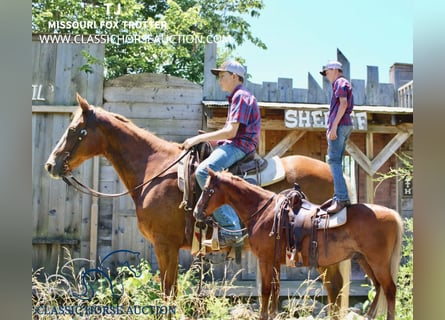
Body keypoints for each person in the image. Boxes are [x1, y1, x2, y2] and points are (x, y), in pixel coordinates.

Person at [182, 60, 261, 247]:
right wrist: (212, 141)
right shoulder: (237, 97)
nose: (219, 81)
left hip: (240, 146)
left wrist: (198, 139)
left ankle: (231, 228)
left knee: (202, 172)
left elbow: (232, 133)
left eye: (222, 76)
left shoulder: (241, 96)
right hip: (236, 143)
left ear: (234, 76)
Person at [320, 60, 354, 214]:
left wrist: (333, 126)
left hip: (340, 125)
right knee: (337, 161)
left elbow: (343, 103)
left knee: (333, 160)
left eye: (327, 72)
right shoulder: (341, 83)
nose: (326, 76)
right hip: (345, 124)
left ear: (334, 70)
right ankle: (339, 196)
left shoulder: (340, 82)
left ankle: (340, 198)